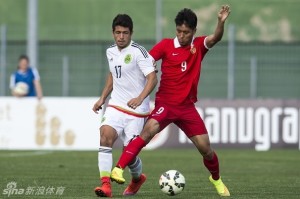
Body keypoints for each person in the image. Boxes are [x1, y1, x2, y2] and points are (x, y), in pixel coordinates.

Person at [110, 5, 231, 197]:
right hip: (166, 104)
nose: (182, 35)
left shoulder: (198, 45)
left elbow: (215, 38)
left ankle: (216, 179)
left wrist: (220, 22)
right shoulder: (166, 45)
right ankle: (118, 169)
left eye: (186, 32)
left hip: (186, 108)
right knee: (148, 131)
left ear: (194, 31)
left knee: (206, 149)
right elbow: (146, 61)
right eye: (179, 31)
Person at [92, 14, 157, 197]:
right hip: (116, 105)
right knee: (105, 135)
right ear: (113, 33)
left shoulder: (139, 52)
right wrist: (102, 98)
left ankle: (137, 179)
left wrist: (140, 97)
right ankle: (106, 185)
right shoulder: (110, 51)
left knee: (129, 154)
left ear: (131, 33)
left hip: (137, 111)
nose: (121, 37)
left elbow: (152, 78)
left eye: (125, 33)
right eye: (118, 33)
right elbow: (113, 75)